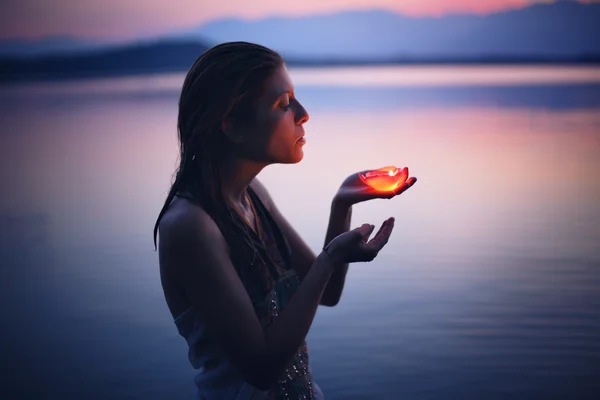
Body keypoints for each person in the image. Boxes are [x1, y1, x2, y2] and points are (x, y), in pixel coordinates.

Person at [153, 41, 417, 400]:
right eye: (283, 104)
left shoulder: (253, 196)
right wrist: (331, 257)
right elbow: (262, 368)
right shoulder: (190, 228)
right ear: (231, 125)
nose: (303, 113)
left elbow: (327, 292)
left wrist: (342, 203)